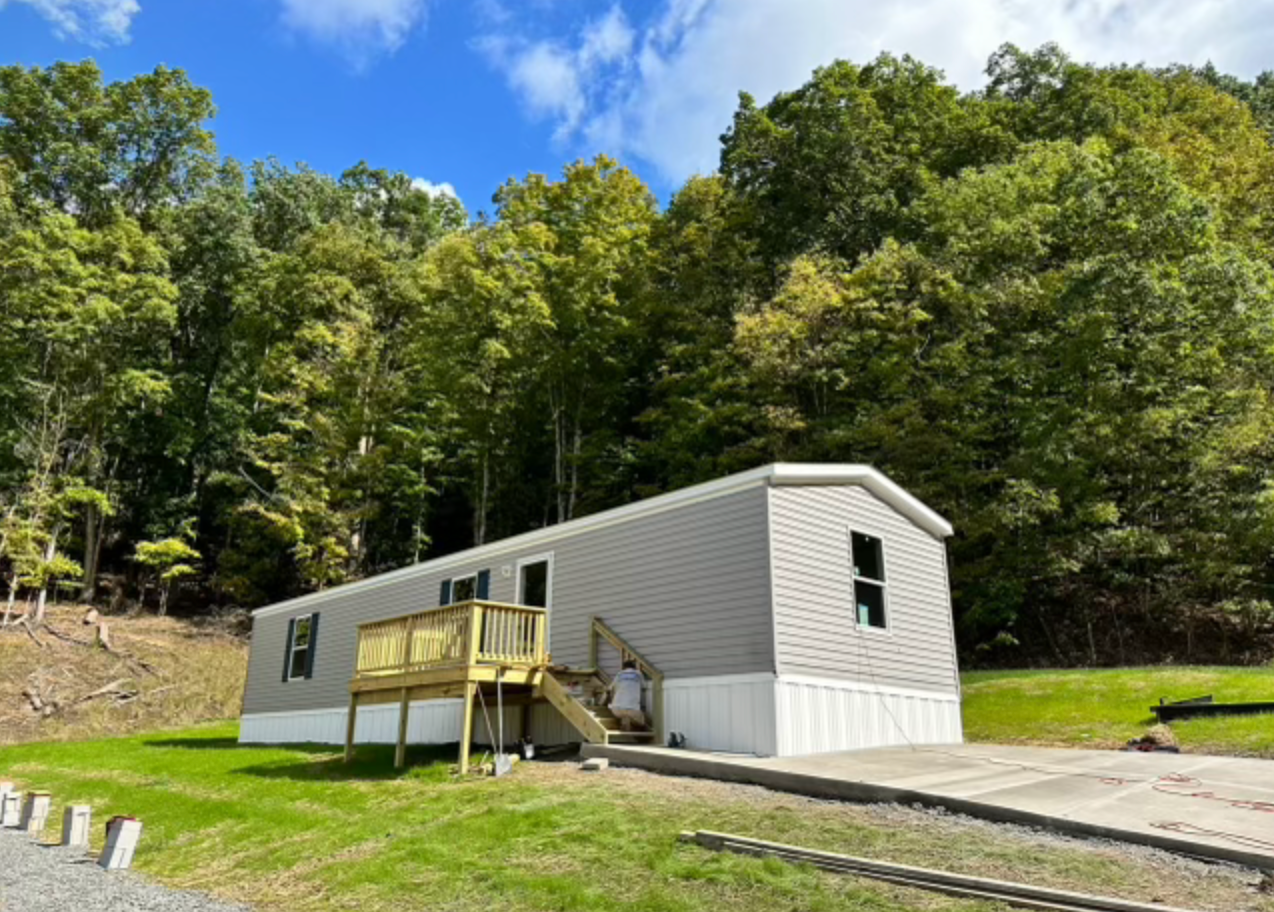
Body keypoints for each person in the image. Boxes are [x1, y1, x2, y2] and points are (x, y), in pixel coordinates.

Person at [608, 659, 647, 731]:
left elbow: (610, 688)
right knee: (641, 721)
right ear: (634, 667)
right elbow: (644, 686)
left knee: (624, 714)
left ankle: (625, 724)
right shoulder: (638, 674)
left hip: (616, 710)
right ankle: (633, 731)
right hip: (632, 710)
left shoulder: (619, 674)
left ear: (623, 667)